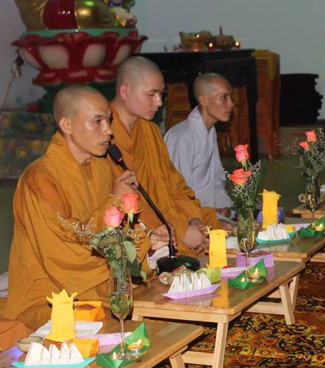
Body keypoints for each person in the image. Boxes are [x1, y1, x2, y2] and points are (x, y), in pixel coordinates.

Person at [4, 85, 170, 330]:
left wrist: (147, 240)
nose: (109, 130)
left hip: (97, 281)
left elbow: (114, 231)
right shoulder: (40, 179)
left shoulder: (101, 166)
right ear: (67, 125)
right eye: (97, 121)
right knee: (123, 324)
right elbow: (66, 253)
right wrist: (115, 201)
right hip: (51, 293)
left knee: (163, 307)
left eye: (109, 120)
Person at [109, 56, 222, 256]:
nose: (159, 102)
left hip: (168, 217)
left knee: (210, 223)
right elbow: (125, 201)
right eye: (151, 94)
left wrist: (192, 218)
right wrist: (180, 230)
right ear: (125, 92)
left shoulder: (150, 131)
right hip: (136, 226)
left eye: (161, 94)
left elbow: (174, 185)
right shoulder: (104, 136)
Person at [164, 73, 233, 217]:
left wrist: (222, 207)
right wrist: (208, 214)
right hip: (188, 216)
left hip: (208, 211)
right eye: (223, 97)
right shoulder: (182, 136)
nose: (231, 103)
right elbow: (177, 192)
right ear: (203, 100)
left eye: (230, 97)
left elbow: (217, 180)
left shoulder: (209, 130)